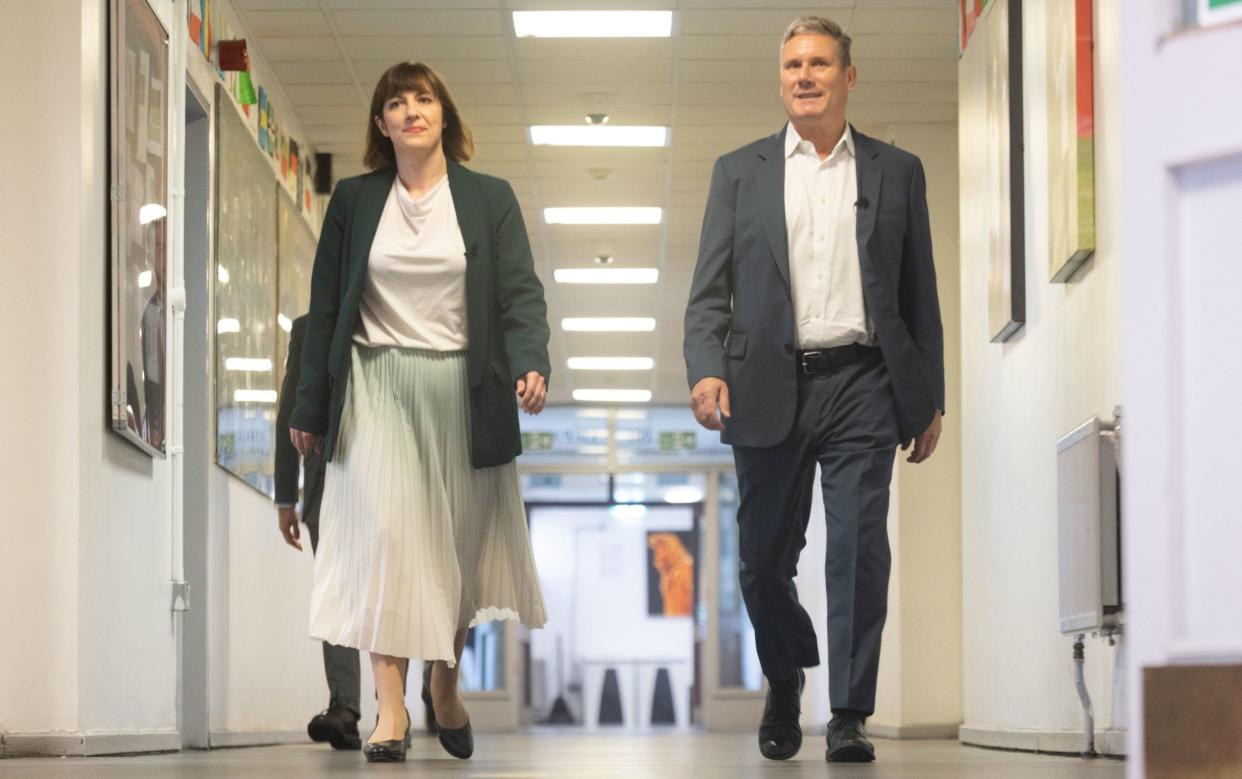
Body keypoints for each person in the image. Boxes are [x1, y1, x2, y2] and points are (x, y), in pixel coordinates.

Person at [683, 16, 945, 764]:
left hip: (863, 380)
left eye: (820, 64)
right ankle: (785, 670)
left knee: (859, 549)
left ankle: (849, 713)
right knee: (763, 561)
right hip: (766, 381)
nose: (804, 75)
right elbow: (709, 293)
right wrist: (706, 366)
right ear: (780, 78)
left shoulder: (897, 171)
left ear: (848, 77)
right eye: (793, 64)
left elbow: (918, 292)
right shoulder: (740, 171)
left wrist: (929, 396)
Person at [288, 61, 550, 764]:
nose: (411, 111)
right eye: (395, 103)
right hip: (375, 383)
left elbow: (520, 294)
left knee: (453, 554)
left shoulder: (488, 198)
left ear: (444, 113)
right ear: (381, 124)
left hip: (463, 386)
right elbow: (323, 311)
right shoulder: (353, 199)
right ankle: (391, 705)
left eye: (423, 98)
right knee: (387, 539)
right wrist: (310, 404)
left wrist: (532, 361)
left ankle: (444, 681)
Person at [274, 314, 362, 750]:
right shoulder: (310, 328)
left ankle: (397, 706)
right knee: (337, 590)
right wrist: (285, 495)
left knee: (389, 590)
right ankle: (344, 707)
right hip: (326, 481)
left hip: (384, 478)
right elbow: (291, 407)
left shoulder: (389, 318)